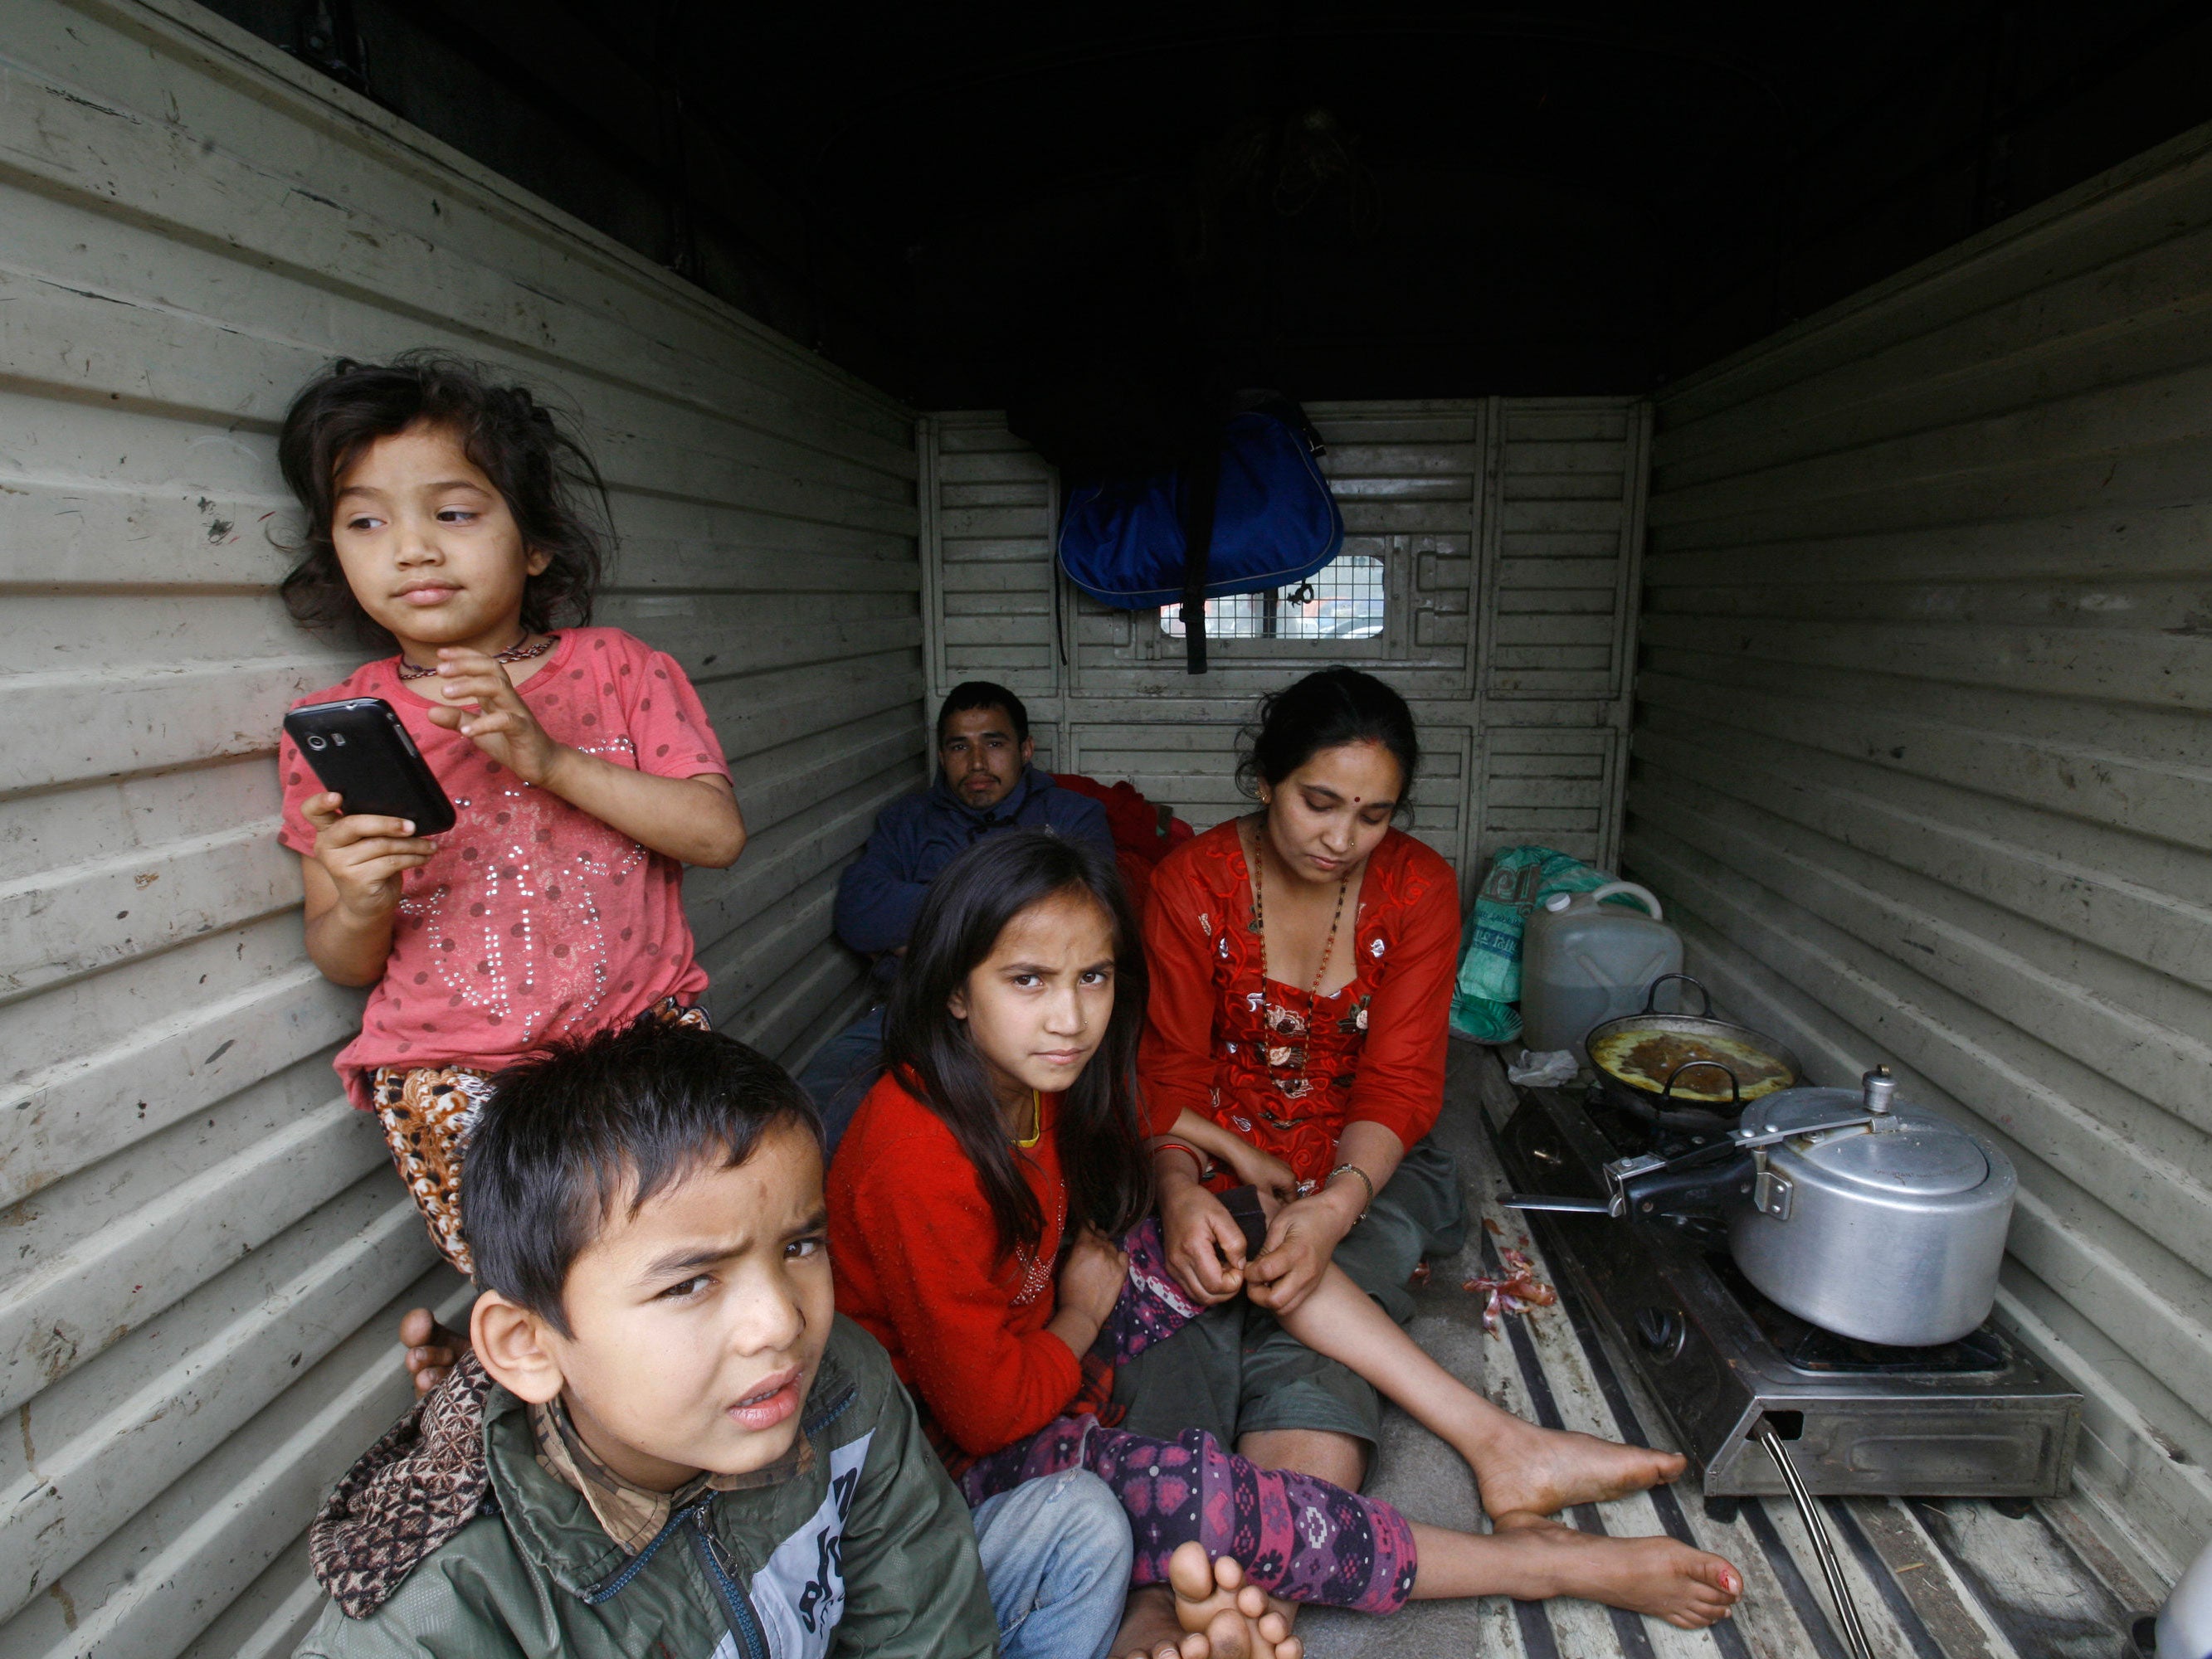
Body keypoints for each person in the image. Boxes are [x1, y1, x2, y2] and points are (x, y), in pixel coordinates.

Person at [829, 831, 1742, 1659]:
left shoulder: (1025, 1070)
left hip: (1038, 1352)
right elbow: (987, 1413)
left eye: (1093, 977)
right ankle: (1533, 1564)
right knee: (1197, 1496)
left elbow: (1130, 1105)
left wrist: (1218, 1148)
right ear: (954, 986)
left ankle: (1497, 1439)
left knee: (1254, 1229)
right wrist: (1078, 1309)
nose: (1068, 1017)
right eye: (1026, 979)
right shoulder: (913, 1151)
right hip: (950, 1453)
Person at [270, 352, 743, 1370]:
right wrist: (359, 895)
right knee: (569, 1305)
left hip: (639, 1041)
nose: (409, 550)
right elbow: (344, 957)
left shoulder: (618, 670)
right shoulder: (330, 726)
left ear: (532, 544)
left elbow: (714, 833)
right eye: (365, 521)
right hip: (456, 1076)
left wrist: (547, 756)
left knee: (683, 1271)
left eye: (452, 512)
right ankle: (501, 1423)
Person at [292, 1021, 1007, 1657]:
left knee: (1078, 1528)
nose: (783, 1323)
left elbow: (927, 1627)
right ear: (528, 1346)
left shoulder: (844, 1384)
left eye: (799, 1246)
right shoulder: (443, 1616)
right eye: (690, 1284)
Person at [797, 680, 1113, 1149]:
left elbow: (1093, 921)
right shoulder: (907, 821)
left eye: (995, 743)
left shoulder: (1071, 816)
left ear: (1026, 749)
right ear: (943, 756)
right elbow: (860, 915)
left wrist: (929, 925)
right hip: (914, 1005)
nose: (978, 763)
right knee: (821, 1100)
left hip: (1034, 1007)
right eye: (960, 746)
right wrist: (1008, 915)